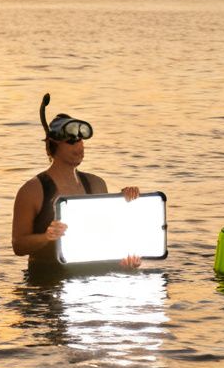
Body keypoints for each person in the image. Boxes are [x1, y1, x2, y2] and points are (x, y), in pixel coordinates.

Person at [12, 95, 142, 274]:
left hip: (93, 274)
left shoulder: (96, 184)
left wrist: (126, 201)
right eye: (71, 141)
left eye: (81, 140)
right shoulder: (32, 190)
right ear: (53, 145)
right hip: (48, 280)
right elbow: (18, 245)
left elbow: (107, 233)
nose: (79, 147)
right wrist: (46, 237)